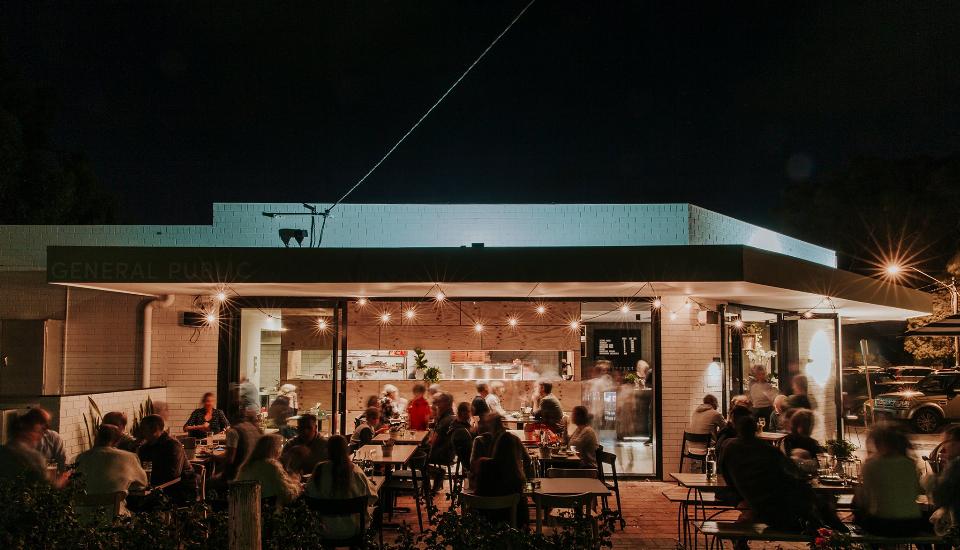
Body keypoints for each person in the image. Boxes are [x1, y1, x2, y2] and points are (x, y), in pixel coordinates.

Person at [719, 413, 842, 532]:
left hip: (755, 503)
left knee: (813, 497)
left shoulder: (728, 446)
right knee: (818, 496)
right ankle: (833, 530)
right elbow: (793, 472)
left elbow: (724, 473)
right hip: (778, 510)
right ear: (756, 429)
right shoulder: (768, 449)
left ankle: (828, 526)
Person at [853, 423, 928, 536]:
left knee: (857, 507)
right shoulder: (910, 464)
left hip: (881, 524)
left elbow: (863, 498)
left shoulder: (871, 464)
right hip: (910, 524)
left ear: (880, 444)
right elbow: (916, 493)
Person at [306, 435, 379, 539]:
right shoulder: (355, 471)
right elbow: (372, 497)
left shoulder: (319, 470)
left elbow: (309, 494)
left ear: (327, 450)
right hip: (354, 528)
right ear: (347, 450)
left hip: (324, 529)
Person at [74, 425, 148, 515]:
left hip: (83, 517)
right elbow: (142, 484)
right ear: (117, 441)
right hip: (114, 516)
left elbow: (76, 483)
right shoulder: (129, 457)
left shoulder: (81, 457)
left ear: (96, 437)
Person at [472, 431, 529, 526]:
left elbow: (476, 489)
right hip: (512, 528)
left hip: (485, 525)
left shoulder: (483, 465)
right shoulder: (517, 476)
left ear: (496, 447)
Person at [0, 409, 67, 486]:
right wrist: (62, 480)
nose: (41, 433)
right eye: (38, 430)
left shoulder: (3, 451)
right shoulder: (34, 459)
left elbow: (62, 464)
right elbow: (48, 486)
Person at [137, 414, 196, 502]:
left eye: (143, 429)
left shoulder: (173, 445)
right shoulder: (144, 447)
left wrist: (149, 483)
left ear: (154, 430)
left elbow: (173, 474)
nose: (140, 433)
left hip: (179, 488)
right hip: (155, 487)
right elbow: (139, 468)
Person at [236, 434, 302, 506]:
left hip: (244, 507)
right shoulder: (271, 466)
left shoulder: (246, 466)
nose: (281, 452)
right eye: (280, 447)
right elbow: (288, 494)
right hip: (265, 511)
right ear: (273, 449)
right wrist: (296, 481)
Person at [924, 425, 960, 536]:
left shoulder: (956, 464)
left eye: (946, 442)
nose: (944, 448)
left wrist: (929, 480)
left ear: (957, 443)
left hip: (958, 525)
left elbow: (940, 497)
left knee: (934, 523)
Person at [220, 407, 262, 482]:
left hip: (239, 476)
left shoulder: (233, 431)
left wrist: (213, 457)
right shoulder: (255, 429)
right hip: (256, 474)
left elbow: (230, 460)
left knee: (208, 483)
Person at [428, 392, 456, 491]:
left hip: (439, 454)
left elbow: (432, 441)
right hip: (448, 453)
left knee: (412, 457)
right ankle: (436, 477)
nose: (436, 405)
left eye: (438, 403)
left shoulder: (445, 420)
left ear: (444, 404)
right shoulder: (452, 417)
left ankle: (436, 473)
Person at [30, 407, 66, 472]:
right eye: (41, 422)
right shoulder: (20, 441)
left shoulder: (54, 437)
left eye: (46, 422)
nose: (46, 425)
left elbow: (63, 464)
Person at [449, 402, 475, 466]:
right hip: (470, 461)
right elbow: (471, 450)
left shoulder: (455, 424)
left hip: (466, 458)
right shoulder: (462, 431)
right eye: (470, 412)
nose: (471, 415)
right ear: (464, 413)